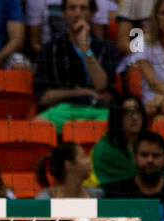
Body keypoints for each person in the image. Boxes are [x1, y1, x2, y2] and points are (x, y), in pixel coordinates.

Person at [32, 0, 120, 132]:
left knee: (118, 126)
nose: (77, 13)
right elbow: (43, 97)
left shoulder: (107, 48)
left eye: (83, 8)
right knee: (36, 126)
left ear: (92, 14)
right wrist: (81, 92)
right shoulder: (50, 49)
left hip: (99, 109)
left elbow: (101, 85)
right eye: (72, 8)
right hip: (64, 109)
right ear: (64, 13)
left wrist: (84, 46)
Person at [34, 141, 101, 198]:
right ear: (68, 164)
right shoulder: (44, 199)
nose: (89, 161)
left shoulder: (96, 194)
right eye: (83, 156)